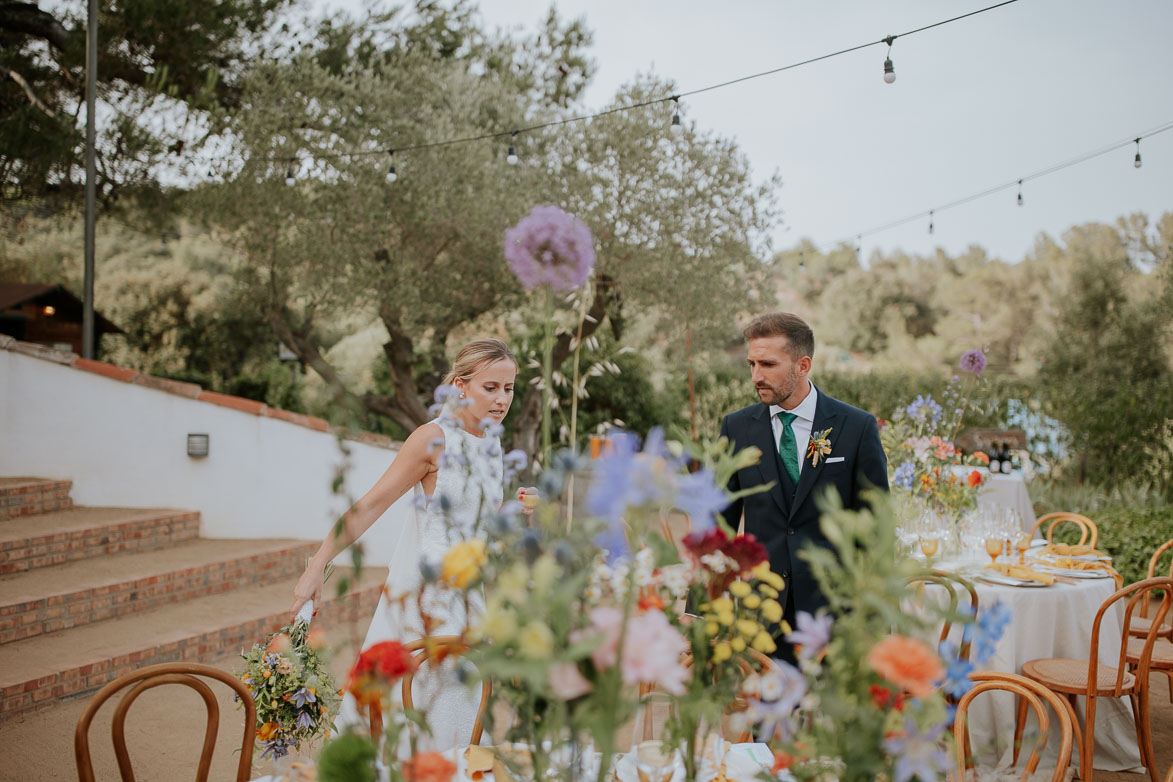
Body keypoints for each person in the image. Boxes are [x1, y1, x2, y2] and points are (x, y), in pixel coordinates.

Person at [290, 337, 529, 750]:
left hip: (471, 602)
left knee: (464, 718)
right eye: (490, 387)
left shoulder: (491, 444)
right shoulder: (431, 438)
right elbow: (370, 505)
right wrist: (316, 567)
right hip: (427, 603)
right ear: (460, 385)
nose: (501, 399)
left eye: (508, 388)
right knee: (418, 715)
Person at [718, 313, 887, 661]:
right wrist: (702, 608)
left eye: (767, 364)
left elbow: (877, 528)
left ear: (803, 365)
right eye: (751, 363)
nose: (756, 376)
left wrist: (874, 617)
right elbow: (717, 522)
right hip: (761, 617)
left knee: (830, 716)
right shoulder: (736, 428)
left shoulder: (856, 427)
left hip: (835, 616)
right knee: (767, 715)